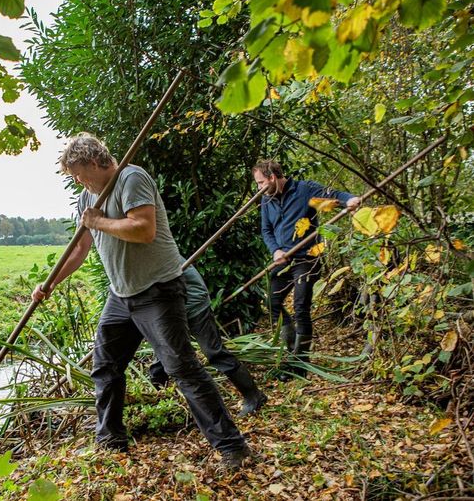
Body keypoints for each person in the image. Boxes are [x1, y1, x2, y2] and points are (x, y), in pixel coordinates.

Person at [33, 133, 251, 469]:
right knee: (105, 368)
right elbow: (80, 248)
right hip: (120, 295)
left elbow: (142, 229)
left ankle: (231, 446)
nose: (77, 180)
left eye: (78, 172)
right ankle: (110, 440)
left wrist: (99, 220)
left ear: (94, 162)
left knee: (182, 368)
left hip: (157, 291)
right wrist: (50, 283)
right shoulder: (85, 197)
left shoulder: (131, 178)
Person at [252, 160, 360, 381]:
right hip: (283, 261)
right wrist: (275, 251)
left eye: (261, 183)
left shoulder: (304, 189)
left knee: (301, 307)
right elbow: (266, 229)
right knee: (272, 303)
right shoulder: (266, 199)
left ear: (272, 177)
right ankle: (291, 351)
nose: (259, 188)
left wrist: (350, 199)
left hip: (307, 259)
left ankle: (299, 364)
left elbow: (334, 195)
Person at [148, 263, 267, 417]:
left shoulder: (152, 250)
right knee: (163, 356)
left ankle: (254, 396)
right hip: (169, 308)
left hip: (193, 302)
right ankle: (159, 406)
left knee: (214, 352)